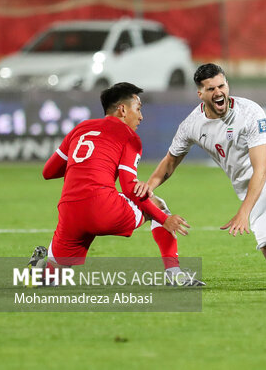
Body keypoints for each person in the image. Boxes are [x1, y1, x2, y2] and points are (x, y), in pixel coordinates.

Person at [135, 63, 266, 277]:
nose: (219, 92)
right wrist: (149, 187)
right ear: (200, 93)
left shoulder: (249, 112)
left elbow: (261, 168)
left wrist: (244, 212)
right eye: (211, 89)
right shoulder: (191, 125)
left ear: (227, 85)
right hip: (251, 189)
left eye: (222, 86)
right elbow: (170, 161)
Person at [28, 82, 204, 286]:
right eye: (138, 109)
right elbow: (130, 188)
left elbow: (48, 172)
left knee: (52, 278)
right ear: (122, 109)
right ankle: (174, 274)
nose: (141, 117)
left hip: (69, 210)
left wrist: (80, 166)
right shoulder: (130, 137)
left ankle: (40, 269)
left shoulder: (81, 128)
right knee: (158, 203)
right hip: (103, 207)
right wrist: (163, 219)